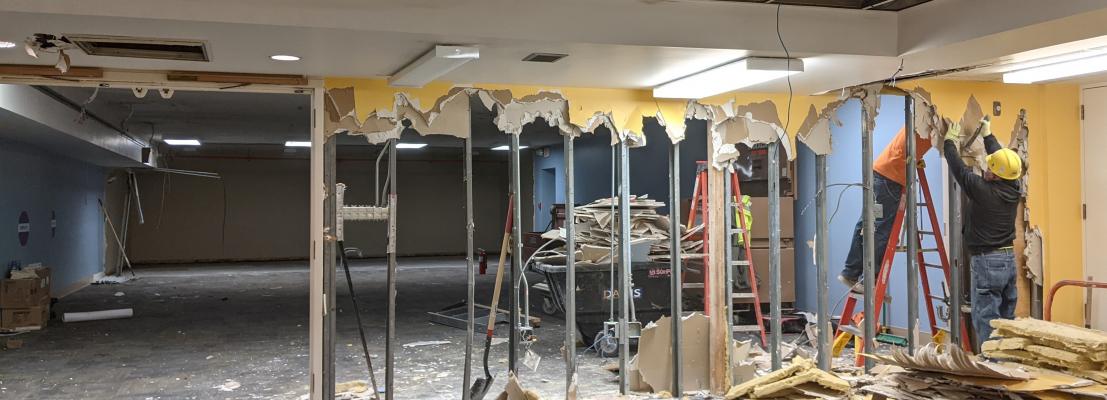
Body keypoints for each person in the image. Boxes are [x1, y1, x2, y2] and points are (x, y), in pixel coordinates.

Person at [942, 119, 1022, 349]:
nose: (986, 170)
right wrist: (988, 136)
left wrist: (949, 142)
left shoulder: (982, 190)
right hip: (1007, 261)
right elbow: (1001, 160)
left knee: (986, 317)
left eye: (990, 169)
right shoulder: (1013, 187)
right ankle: (1010, 360)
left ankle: (993, 364)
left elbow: (958, 168)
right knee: (1006, 319)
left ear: (996, 176)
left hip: (987, 261)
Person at [838, 127, 932, 291]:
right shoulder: (936, 121)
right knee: (879, 229)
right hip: (890, 179)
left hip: (879, 174)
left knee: (868, 223)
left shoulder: (921, 117)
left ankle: (850, 272)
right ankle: (868, 280)